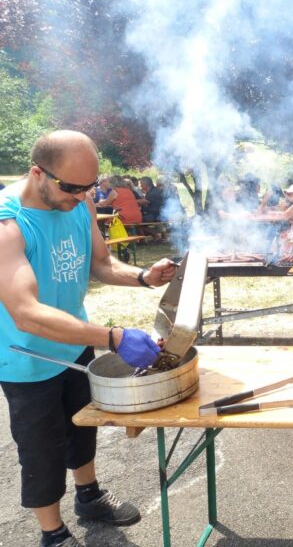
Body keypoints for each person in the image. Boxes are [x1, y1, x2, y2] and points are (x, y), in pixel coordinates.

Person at [0, 130, 178, 547]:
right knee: (41, 448)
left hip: (75, 343)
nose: (82, 198)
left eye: (89, 187)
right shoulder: (8, 224)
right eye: (72, 187)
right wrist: (112, 337)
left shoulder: (77, 204)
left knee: (83, 428)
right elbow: (26, 314)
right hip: (26, 358)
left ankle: (89, 495)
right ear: (37, 172)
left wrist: (142, 276)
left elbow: (100, 263)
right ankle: (54, 533)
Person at [248, 183, 293, 252]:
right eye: (288, 194)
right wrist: (270, 211)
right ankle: (281, 255)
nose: (289, 196)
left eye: (291, 194)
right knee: (282, 235)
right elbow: (284, 213)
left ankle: (282, 256)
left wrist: (261, 214)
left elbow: (283, 216)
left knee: (281, 238)